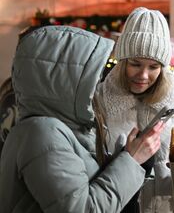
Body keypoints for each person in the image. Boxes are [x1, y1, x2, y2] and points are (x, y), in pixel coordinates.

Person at [0, 25, 164, 212]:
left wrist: (118, 161)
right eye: (91, 73)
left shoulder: (61, 128)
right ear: (65, 78)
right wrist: (131, 161)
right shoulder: (41, 133)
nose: (98, 81)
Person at [97, 7, 174, 212]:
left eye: (153, 67)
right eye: (135, 64)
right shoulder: (99, 100)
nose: (143, 75)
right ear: (122, 61)